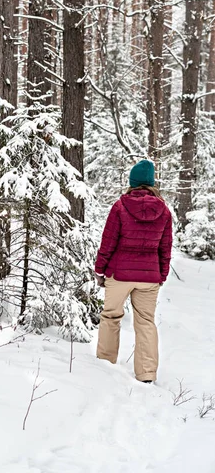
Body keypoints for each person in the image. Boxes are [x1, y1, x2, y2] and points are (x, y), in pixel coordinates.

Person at [93, 160, 172, 383]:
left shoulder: (120, 206)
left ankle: (105, 365)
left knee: (110, 317)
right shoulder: (164, 211)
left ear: (132, 182)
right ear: (151, 183)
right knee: (146, 321)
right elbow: (165, 248)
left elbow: (108, 242)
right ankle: (146, 373)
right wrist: (161, 275)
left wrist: (100, 270)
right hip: (149, 277)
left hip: (119, 275)